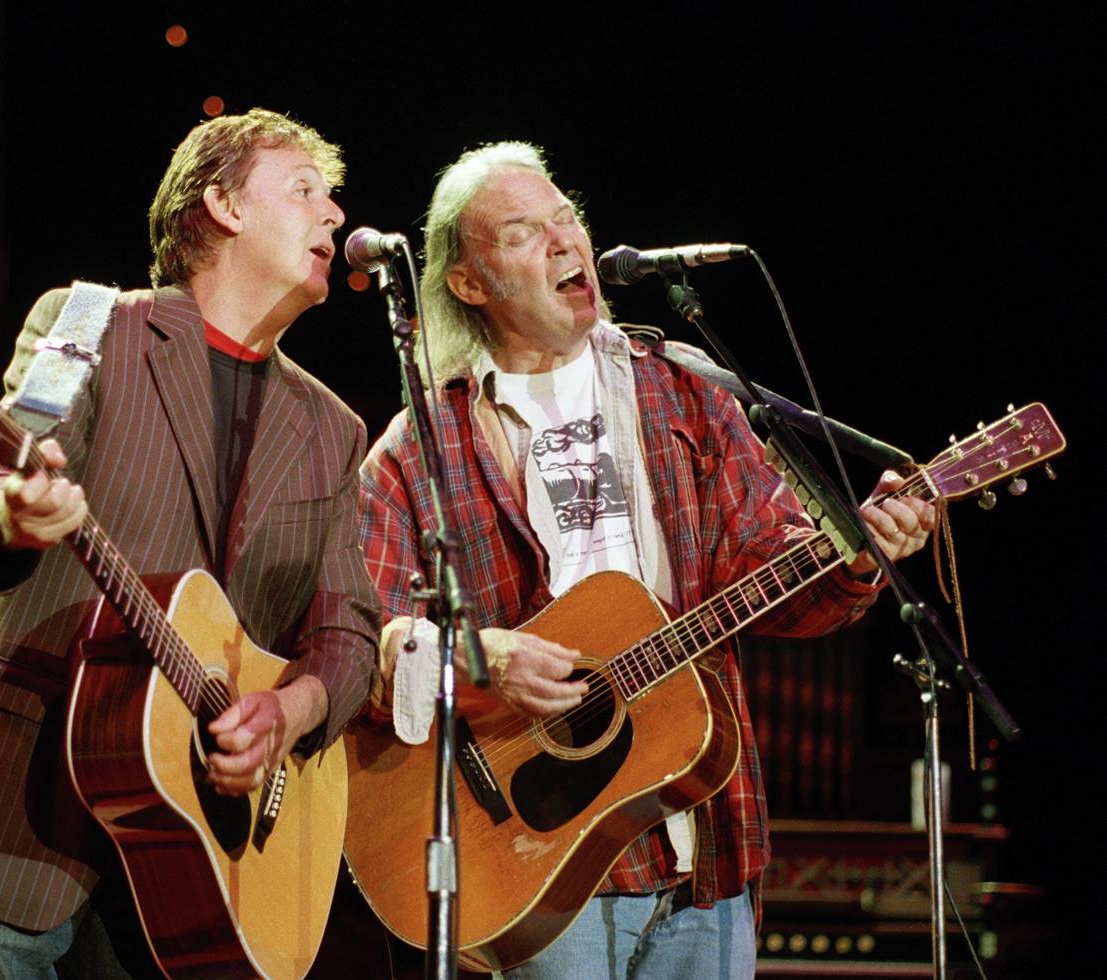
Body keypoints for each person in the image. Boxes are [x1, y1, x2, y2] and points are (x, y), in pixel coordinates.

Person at [356, 142, 936, 978]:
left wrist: (856, 558)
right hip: (530, 861)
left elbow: (774, 579)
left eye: (567, 219)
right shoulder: (421, 447)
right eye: (523, 232)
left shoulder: (686, 390)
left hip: (705, 847)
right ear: (469, 284)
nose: (563, 242)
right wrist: (485, 662)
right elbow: (363, 641)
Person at [0, 108, 380, 977]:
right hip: (3, 809)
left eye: (330, 198)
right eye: (303, 191)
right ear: (220, 204)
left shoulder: (332, 427)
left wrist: (287, 712)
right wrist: (13, 514)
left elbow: (349, 634)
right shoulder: (89, 322)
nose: (334, 214)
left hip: (183, 868)